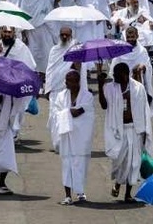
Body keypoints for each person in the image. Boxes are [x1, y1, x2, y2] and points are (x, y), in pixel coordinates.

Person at [100, 62, 152, 202]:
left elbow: (144, 110)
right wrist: (100, 85)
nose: (114, 77)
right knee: (120, 161)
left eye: (116, 75)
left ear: (124, 74)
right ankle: (117, 183)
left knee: (134, 162)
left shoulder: (137, 88)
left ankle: (128, 194)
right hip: (118, 130)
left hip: (135, 129)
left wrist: (145, 132)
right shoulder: (110, 87)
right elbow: (104, 105)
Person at [52, 70, 95, 205]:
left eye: (69, 81)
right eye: (66, 80)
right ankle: (68, 195)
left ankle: (81, 192)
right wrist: (69, 112)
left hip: (81, 137)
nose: (66, 83)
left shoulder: (87, 96)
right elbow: (57, 114)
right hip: (67, 136)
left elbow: (84, 113)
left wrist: (70, 112)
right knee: (67, 164)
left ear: (77, 82)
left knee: (80, 164)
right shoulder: (60, 96)